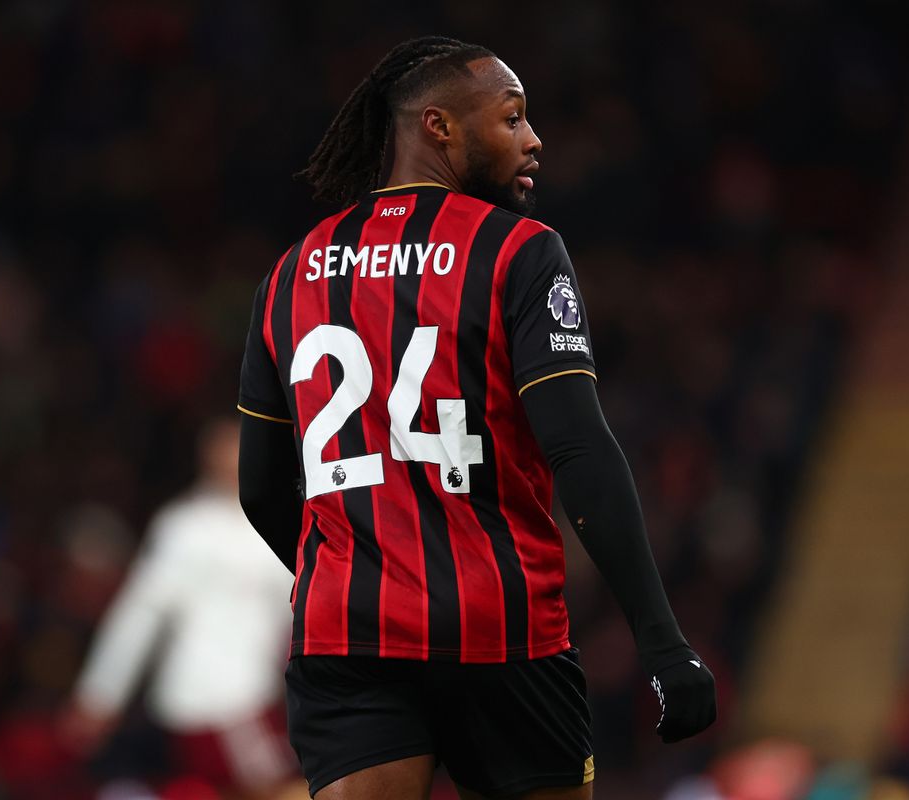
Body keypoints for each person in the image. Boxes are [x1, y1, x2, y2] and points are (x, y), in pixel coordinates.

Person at [237, 36, 716, 800]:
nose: (534, 140)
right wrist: (661, 641)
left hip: (346, 635)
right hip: (499, 631)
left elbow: (261, 487)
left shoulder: (290, 271)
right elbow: (578, 446)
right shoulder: (519, 251)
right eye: (513, 118)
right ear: (439, 128)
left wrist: (360, 571)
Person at [64, 418, 301, 799]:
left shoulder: (278, 520)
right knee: (286, 790)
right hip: (219, 701)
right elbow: (140, 613)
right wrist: (100, 694)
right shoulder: (185, 529)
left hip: (259, 699)